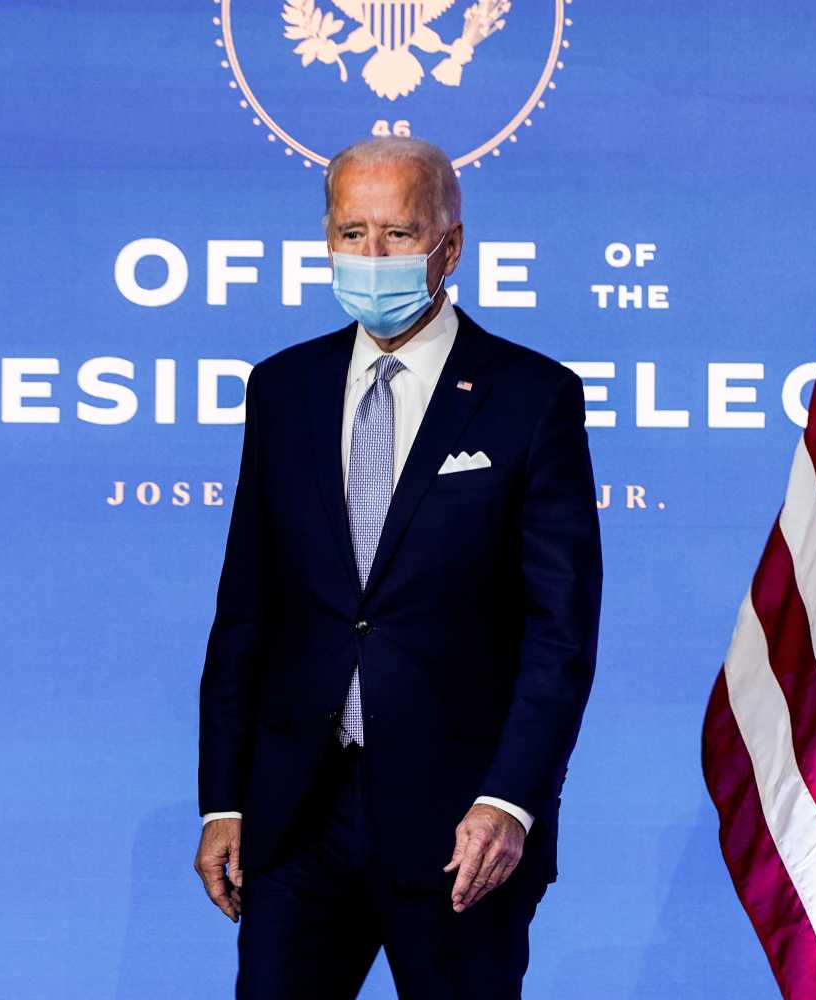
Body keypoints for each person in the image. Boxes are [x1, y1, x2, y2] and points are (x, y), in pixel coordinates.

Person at [193, 134, 602, 999]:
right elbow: (246, 610)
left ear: (449, 247)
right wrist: (223, 799)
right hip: (299, 813)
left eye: (399, 235)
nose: (371, 256)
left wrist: (512, 800)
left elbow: (559, 631)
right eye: (352, 233)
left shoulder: (532, 398)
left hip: (463, 827)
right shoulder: (282, 389)